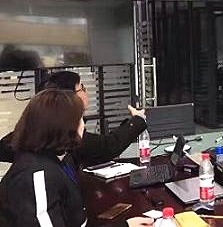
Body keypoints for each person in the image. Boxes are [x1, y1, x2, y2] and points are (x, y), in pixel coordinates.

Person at [0, 89, 154, 227]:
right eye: (79, 119)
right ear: (62, 126)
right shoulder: (36, 176)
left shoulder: (59, 156)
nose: (83, 125)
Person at [0, 71, 147, 167]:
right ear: (67, 97)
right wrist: (137, 120)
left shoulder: (34, 130)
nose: (86, 93)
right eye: (81, 88)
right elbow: (108, 147)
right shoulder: (65, 134)